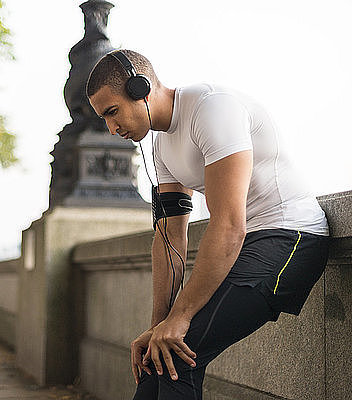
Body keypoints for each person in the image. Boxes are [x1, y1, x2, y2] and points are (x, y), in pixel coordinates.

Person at [86, 49, 330, 399]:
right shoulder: (160, 148)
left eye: (113, 112)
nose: (111, 129)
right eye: (104, 119)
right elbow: (170, 236)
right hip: (248, 247)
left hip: (291, 237)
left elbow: (230, 224)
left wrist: (180, 318)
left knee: (176, 357)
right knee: (158, 356)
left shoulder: (212, 109)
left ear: (141, 89)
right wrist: (159, 325)